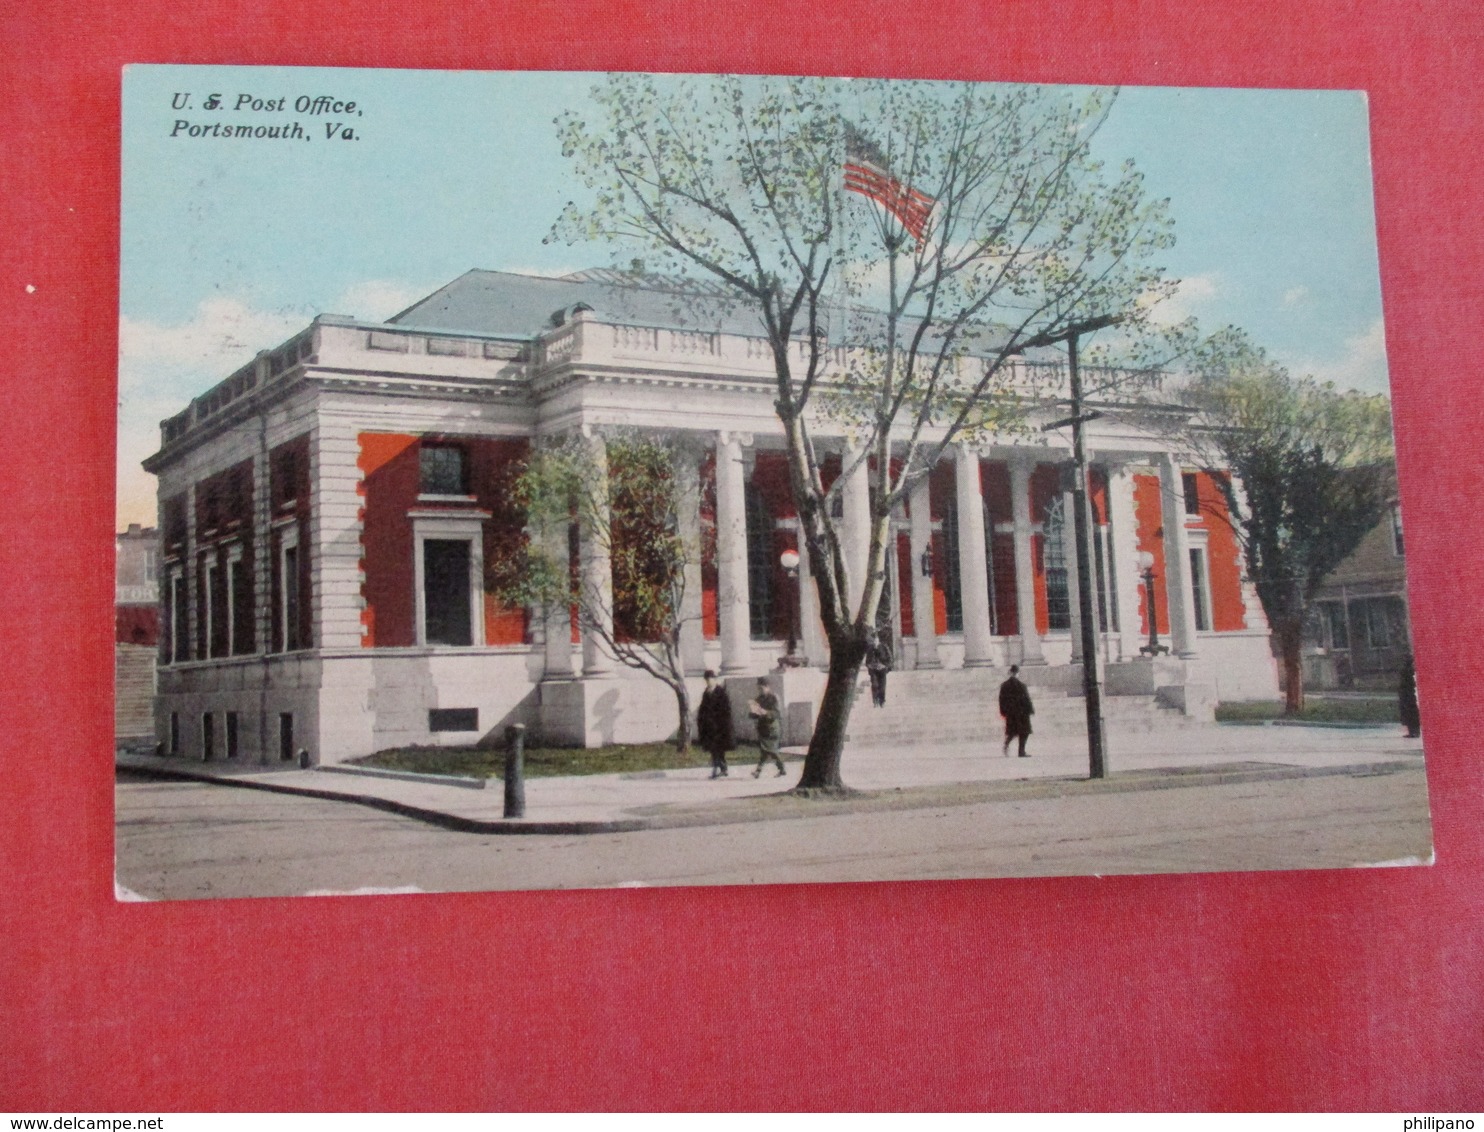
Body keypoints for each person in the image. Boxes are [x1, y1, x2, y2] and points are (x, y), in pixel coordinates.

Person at [696, 669, 735, 778]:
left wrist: (722, 723)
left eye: (710, 679)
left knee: (718, 749)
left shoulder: (721, 692)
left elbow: (726, 710)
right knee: (714, 749)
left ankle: (719, 768)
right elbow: (703, 709)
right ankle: (722, 768)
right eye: (707, 679)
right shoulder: (706, 692)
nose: (708, 681)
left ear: (715, 679)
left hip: (719, 727)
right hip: (709, 727)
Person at [748, 676, 787, 777]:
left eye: (762, 688)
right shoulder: (758, 699)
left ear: (767, 687)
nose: (760, 690)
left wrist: (766, 712)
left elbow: (778, 713)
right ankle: (781, 769)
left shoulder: (774, 698)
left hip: (772, 728)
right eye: (759, 688)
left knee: (770, 750)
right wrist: (753, 712)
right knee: (766, 751)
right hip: (763, 729)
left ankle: (759, 771)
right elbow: (754, 715)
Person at [998, 664, 1034, 758]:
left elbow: (1001, 700)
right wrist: (1031, 710)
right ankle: (1021, 751)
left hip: (1011, 713)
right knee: (1024, 732)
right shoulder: (1021, 685)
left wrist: (1003, 711)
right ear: (1017, 673)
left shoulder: (1004, 685)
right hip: (1022, 713)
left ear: (1010, 672)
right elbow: (1026, 699)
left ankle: (1006, 745)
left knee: (1012, 732)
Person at [865, 629, 893, 708]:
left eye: (876, 640)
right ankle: (875, 701)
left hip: (882, 669)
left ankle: (882, 701)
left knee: (882, 686)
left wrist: (885, 666)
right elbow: (867, 661)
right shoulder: (870, 649)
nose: (874, 642)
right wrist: (870, 665)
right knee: (874, 685)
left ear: (878, 640)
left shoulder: (884, 647)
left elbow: (890, 659)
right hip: (873, 670)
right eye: (873, 640)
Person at [1398, 655, 1421, 738]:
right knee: (1411, 713)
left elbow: (1404, 683)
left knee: (1409, 713)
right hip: (1410, 694)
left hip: (1407, 694)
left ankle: (1413, 731)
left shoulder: (1406, 671)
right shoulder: (1412, 670)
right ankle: (1414, 731)